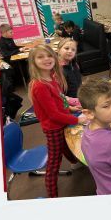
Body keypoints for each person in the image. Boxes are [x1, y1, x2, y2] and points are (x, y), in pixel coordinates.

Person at [28, 44, 91, 198]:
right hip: (53, 127)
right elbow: (53, 115)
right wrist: (78, 119)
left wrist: (70, 109)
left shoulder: (51, 77)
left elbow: (59, 101)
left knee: (65, 145)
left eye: (49, 55)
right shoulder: (40, 86)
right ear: (33, 61)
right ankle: (53, 198)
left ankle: (75, 163)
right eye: (40, 57)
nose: (46, 59)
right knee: (54, 163)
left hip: (62, 121)